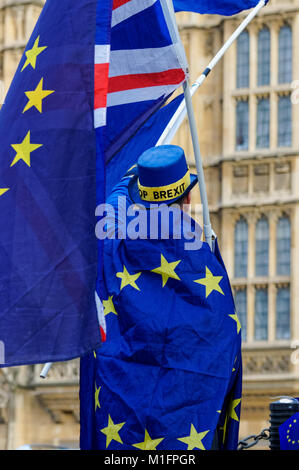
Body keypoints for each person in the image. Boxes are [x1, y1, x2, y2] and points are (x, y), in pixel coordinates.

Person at [80, 145, 242, 451]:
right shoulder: (199, 251)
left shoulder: (116, 245)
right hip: (186, 427)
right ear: (189, 198)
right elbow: (225, 331)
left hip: (123, 418)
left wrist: (128, 180)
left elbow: (113, 203)